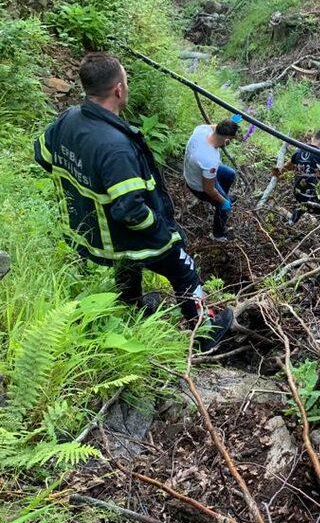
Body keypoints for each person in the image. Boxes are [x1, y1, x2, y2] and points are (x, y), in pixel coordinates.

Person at [33, 52, 233, 350]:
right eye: (125, 80)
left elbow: (43, 154)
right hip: (117, 234)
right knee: (184, 267)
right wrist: (163, 233)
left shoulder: (68, 119)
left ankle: (133, 305)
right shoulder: (115, 148)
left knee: (129, 262)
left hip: (91, 229)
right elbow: (130, 211)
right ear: (118, 89)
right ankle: (203, 332)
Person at [183, 119, 239, 242]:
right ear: (226, 139)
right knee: (224, 207)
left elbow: (216, 127)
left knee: (230, 174)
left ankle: (224, 196)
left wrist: (230, 122)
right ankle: (218, 234)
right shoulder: (210, 159)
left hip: (195, 171)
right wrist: (223, 201)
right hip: (198, 186)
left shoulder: (202, 129)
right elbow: (208, 189)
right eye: (230, 139)